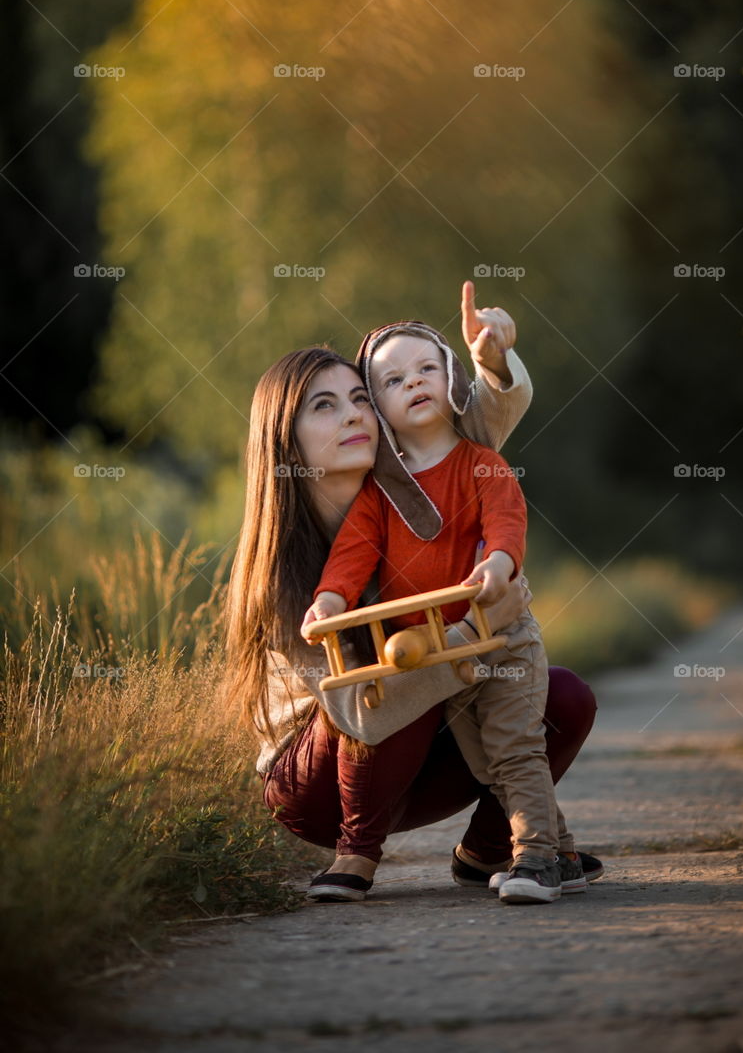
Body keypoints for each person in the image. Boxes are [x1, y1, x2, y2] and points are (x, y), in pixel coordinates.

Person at [225, 283, 600, 902]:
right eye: (323, 407)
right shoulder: (281, 564)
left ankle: (494, 848)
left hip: (416, 749)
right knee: (391, 666)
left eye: (358, 399)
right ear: (284, 443)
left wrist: (491, 359)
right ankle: (356, 858)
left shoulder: (409, 484)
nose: (351, 415)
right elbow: (360, 700)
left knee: (561, 696)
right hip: (322, 778)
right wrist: (476, 634)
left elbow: (468, 430)